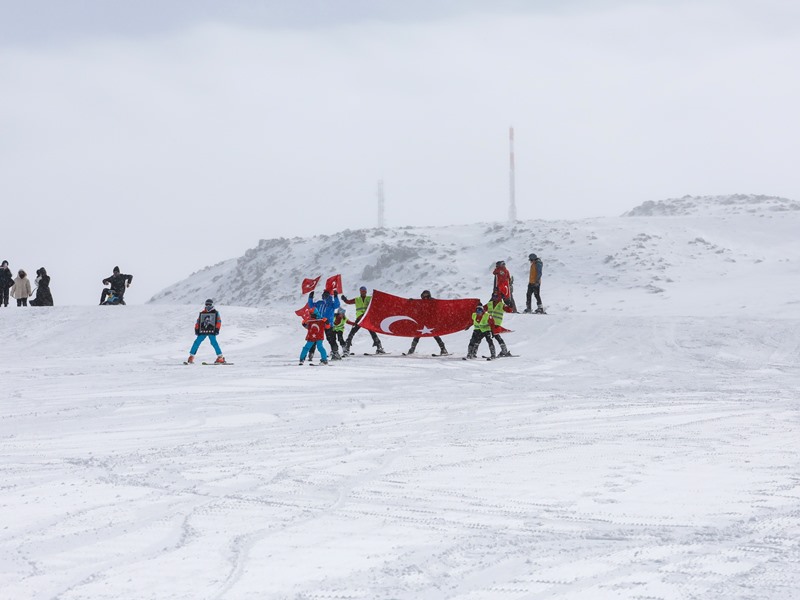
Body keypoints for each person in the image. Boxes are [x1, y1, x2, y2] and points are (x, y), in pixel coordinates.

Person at [342, 286, 385, 355]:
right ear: (360, 291)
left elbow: (377, 301)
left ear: (366, 291)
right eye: (362, 291)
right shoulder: (357, 299)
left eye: (364, 291)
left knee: (373, 333)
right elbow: (348, 302)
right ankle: (347, 348)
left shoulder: (369, 298)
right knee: (352, 333)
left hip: (367, 319)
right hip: (359, 319)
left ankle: (379, 347)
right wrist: (344, 299)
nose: (363, 292)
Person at [406, 290, 449, 356]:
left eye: (426, 295)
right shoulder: (421, 303)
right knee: (417, 336)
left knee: (436, 335)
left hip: (431, 322)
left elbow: (438, 305)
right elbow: (416, 305)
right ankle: (412, 349)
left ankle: (443, 349)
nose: (425, 297)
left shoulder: (433, 301)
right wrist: (412, 301)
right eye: (424, 295)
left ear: (429, 295)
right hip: (422, 322)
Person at [186, 299, 226, 364]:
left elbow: (218, 321)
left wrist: (217, 329)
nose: (208, 306)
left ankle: (220, 357)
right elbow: (198, 322)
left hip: (211, 330)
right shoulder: (203, 313)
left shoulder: (215, 313)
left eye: (209, 304)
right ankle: (191, 356)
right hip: (203, 331)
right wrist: (196, 329)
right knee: (197, 342)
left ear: (212, 305)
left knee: (213, 342)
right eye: (206, 304)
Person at [307, 288, 341, 359]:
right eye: (323, 295)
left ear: (329, 296)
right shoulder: (320, 303)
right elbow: (311, 305)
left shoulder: (332, 304)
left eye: (326, 295)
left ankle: (335, 353)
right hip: (319, 324)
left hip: (328, 324)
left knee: (331, 339)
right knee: (314, 338)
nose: (324, 296)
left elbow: (337, 305)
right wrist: (310, 297)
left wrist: (336, 296)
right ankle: (311, 353)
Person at [484, 291, 513, 357]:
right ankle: (502, 351)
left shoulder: (501, 305)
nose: (494, 298)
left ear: (499, 297)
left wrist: (508, 301)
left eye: (496, 296)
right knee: (487, 337)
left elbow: (510, 310)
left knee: (496, 337)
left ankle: (504, 350)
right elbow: (482, 309)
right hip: (489, 324)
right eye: (493, 296)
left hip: (496, 324)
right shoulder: (489, 304)